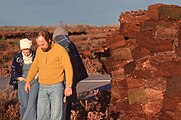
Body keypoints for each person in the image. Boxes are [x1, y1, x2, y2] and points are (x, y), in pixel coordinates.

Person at [24, 30, 73, 120]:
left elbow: (68, 68)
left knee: (56, 116)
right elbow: (35, 66)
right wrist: (28, 81)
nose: (41, 46)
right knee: (42, 115)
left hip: (57, 87)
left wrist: (68, 85)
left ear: (49, 40)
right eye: (39, 44)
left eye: (43, 44)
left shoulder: (60, 50)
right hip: (42, 87)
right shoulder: (39, 50)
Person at [53, 25, 88, 120]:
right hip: (69, 80)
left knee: (57, 105)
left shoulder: (53, 45)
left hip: (56, 80)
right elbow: (76, 65)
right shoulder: (70, 44)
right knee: (67, 103)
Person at [9, 38, 39, 120]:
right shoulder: (17, 57)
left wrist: (37, 75)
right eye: (24, 49)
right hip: (22, 82)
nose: (26, 51)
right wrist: (19, 78)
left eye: (27, 49)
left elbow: (41, 67)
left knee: (32, 104)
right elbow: (13, 69)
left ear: (30, 48)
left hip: (34, 81)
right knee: (24, 104)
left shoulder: (36, 55)